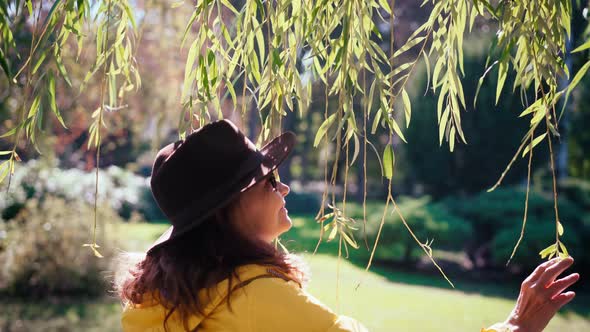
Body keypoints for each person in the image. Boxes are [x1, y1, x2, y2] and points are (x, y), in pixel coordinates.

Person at [117, 119, 579, 332]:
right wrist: (514, 328)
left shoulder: (152, 306)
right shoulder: (254, 298)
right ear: (227, 209)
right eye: (268, 181)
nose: (283, 190)